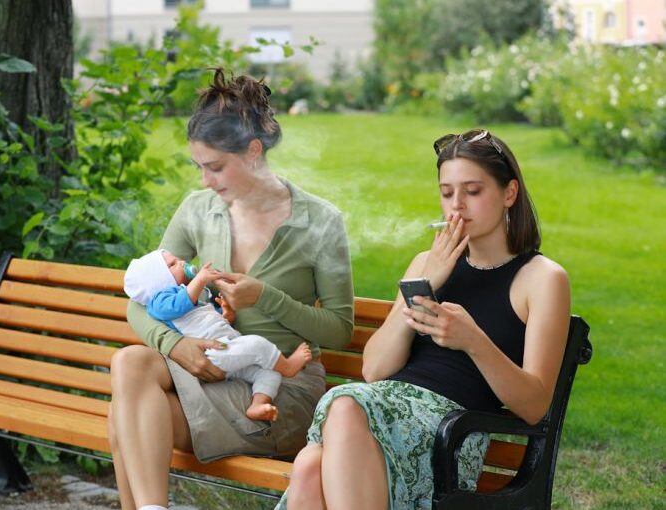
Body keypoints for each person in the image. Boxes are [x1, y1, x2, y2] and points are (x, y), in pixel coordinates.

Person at [276, 129, 571, 510]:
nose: (457, 206)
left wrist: (473, 341)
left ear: (509, 193)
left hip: (449, 435)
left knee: (325, 440)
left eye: (473, 191)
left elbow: (533, 406)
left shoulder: (542, 278)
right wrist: (427, 282)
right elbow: (375, 368)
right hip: (380, 413)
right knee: (309, 464)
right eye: (447, 193)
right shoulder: (424, 263)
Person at [108, 69, 354, 510]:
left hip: (277, 389)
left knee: (125, 413)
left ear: (254, 151)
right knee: (131, 367)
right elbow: (140, 304)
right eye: (199, 167)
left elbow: (339, 331)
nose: (205, 181)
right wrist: (176, 344)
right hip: (213, 369)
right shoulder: (198, 210)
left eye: (216, 167)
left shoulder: (320, 221)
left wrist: (266, 298)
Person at [123, 248, 313, 421]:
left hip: (227, 350)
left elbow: (213, 324)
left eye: (177, 259)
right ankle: (288, 366)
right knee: (257, 344)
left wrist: (226, 315)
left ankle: (257, 405)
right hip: (212, 354)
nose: (181, 262)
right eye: (172, 265)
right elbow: (178, 304)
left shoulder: (197, 298)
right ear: (159, 281)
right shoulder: (160, 301)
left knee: (269, 373)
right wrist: (200, 279)